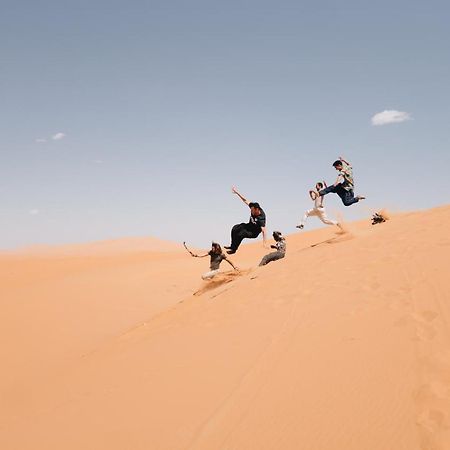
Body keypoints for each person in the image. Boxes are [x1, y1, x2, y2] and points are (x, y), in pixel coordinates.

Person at [225, 186, 267, 254]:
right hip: (248, 226)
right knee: (235, 228)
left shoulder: (261, 217)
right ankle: (232, 246)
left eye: (252, 210)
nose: (251, 211)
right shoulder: (253, 206)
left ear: (257, 209)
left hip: (253, 232)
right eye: (251, 209)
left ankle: (234, 250)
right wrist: (237, 193)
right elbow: (245, 200)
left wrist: (264, 243)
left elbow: (264, 231)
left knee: (241, 234)